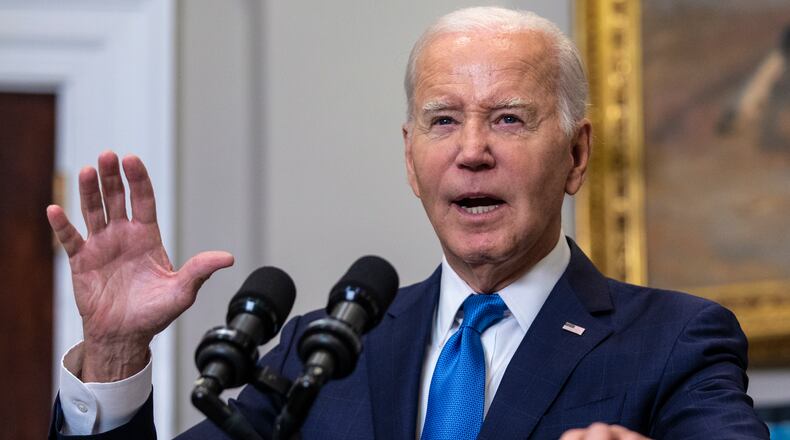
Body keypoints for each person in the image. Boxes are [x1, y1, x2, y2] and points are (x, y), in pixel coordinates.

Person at [47, 7, 768, 440]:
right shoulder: (321, 350)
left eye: (509, 119)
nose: (472, 150)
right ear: (411, 157)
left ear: (576, 155)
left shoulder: (675, 341)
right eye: (443, 121)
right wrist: (113, 354)